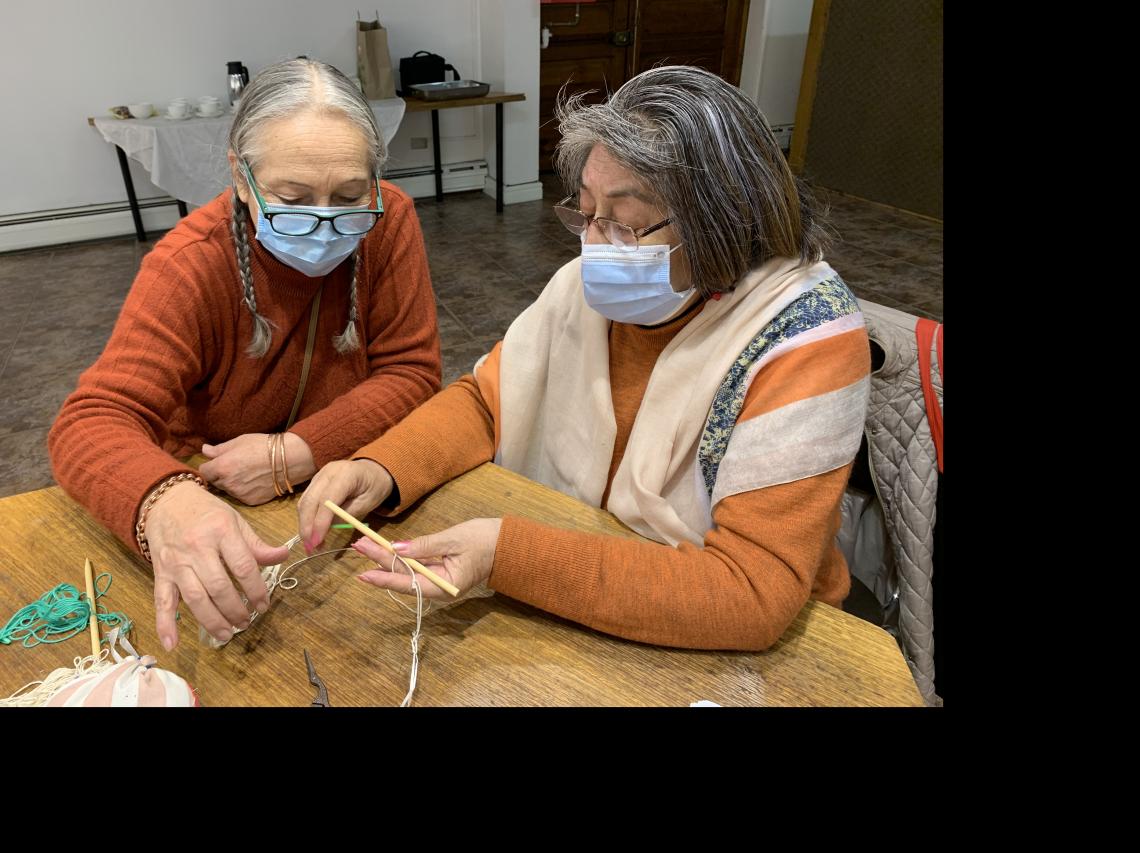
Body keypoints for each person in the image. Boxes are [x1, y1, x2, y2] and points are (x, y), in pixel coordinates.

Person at [299, 65, 870, 651]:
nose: (594, 246)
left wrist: (506, 555)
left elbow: (750, 592)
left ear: (723, 219)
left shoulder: (805, 337)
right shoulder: (585, 289)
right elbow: (488, 404)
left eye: (625, 222)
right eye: (587, 213)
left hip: (728, 633)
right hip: (597, 579)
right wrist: (383, 467)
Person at [48, 59, 442, 651]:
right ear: (241, 176)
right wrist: (166, 501)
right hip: (216, 501)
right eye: (292, 198)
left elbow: (413, 371)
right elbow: (89, 423)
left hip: (335, 490)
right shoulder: (189, 266)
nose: (326, 222)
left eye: (350, 196)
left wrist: (298, 451)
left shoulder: (391, 221)